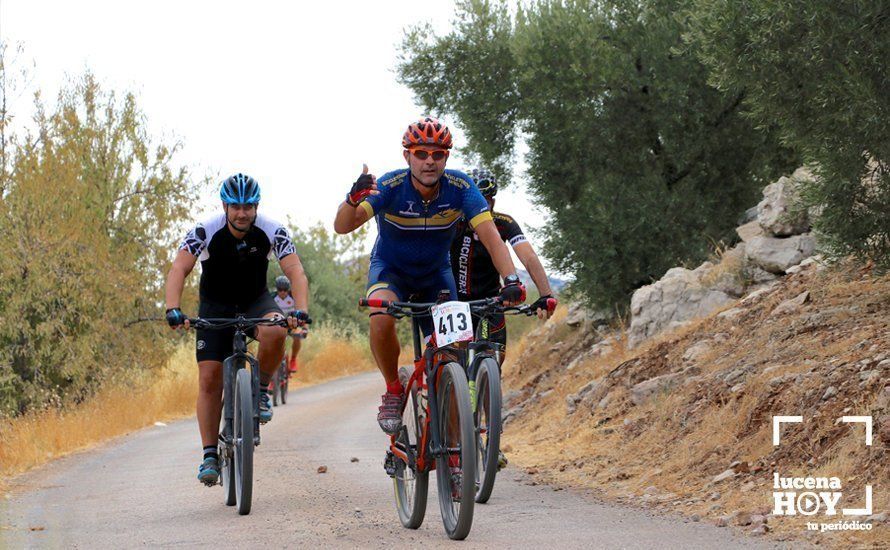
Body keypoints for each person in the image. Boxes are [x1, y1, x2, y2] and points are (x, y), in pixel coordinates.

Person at [333, 116, 526, 436]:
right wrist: (352, 199)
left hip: (436, 277)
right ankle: (394, 389)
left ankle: (454, 458)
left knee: (452, 361)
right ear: (407, 155)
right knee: (380, 315)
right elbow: (343, 226)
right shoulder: (390, 187)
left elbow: (492, 238)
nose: (429, 161)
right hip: (391, 271)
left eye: (437, 154)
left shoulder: (461, 188)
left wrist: (512, 281)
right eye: (421, 153)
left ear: (446, 157)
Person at [164, 173, 310, 486]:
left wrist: (301, 310)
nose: (242, 213)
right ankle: (209, 455)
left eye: (248, 206)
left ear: (256, 206)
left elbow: (295, 270)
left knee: (275, 330)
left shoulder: (272, 231)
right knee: (209, 379)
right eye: (235, 207)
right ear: (225, 206)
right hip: (215, 306)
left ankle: (260, 391)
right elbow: (179, 267)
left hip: (255, 301)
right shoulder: (205, 230)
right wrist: (173, 308)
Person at [451, 167, 558, 360]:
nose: (481, 207)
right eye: (476, 201)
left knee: (495, 361)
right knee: (452, 362)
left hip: (492, 301)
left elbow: (529, 257)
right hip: (454, 301)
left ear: (493, 201)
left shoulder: (504, 222)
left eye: (487, 201)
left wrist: (546, 294)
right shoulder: (453, 222)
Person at [272, 275, 305, 373]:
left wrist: (303, 323)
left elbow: (301, 309)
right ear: (277, 289)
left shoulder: (293, 297)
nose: (282, 292)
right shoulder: (272, 297)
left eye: (285, 290)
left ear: (288, 289)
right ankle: (272, 378)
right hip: (277, 325)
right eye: (280, 289)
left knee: (298, 335)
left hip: (292, 324)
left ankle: (293, 359)